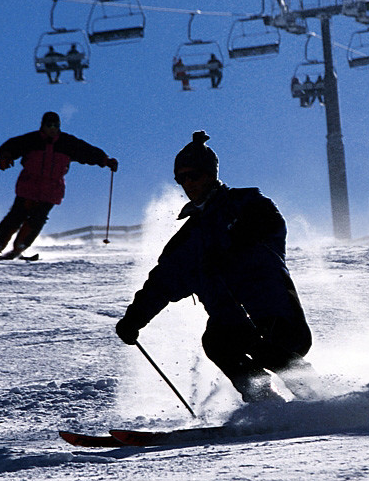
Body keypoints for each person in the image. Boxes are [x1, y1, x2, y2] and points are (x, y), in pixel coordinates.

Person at [115, 131, 316, 404]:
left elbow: (271, 227)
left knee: (265, 346)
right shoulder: (187, 240)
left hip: (275, 312)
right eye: (181, 178)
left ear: (210, 175)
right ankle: (265, 402)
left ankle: (318, 398)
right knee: (216, 341)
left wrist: (237, 244)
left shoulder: (246, 204)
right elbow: (162, 283)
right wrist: (133, 320)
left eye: (193, 175)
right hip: (233, 323)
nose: (187, 183)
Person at [0, 111, 118, 259]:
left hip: (51, 190)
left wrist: (106, 160)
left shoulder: (67, 143)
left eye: (55, 125)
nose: (52, 128)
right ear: (42, 126)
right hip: (29, 186)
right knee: (17, 215)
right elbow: (10, 147)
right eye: (48, 125)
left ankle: (20, 247)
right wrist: (5, 157)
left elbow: (87, 152)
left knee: (38, 218)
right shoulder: (31, 140)